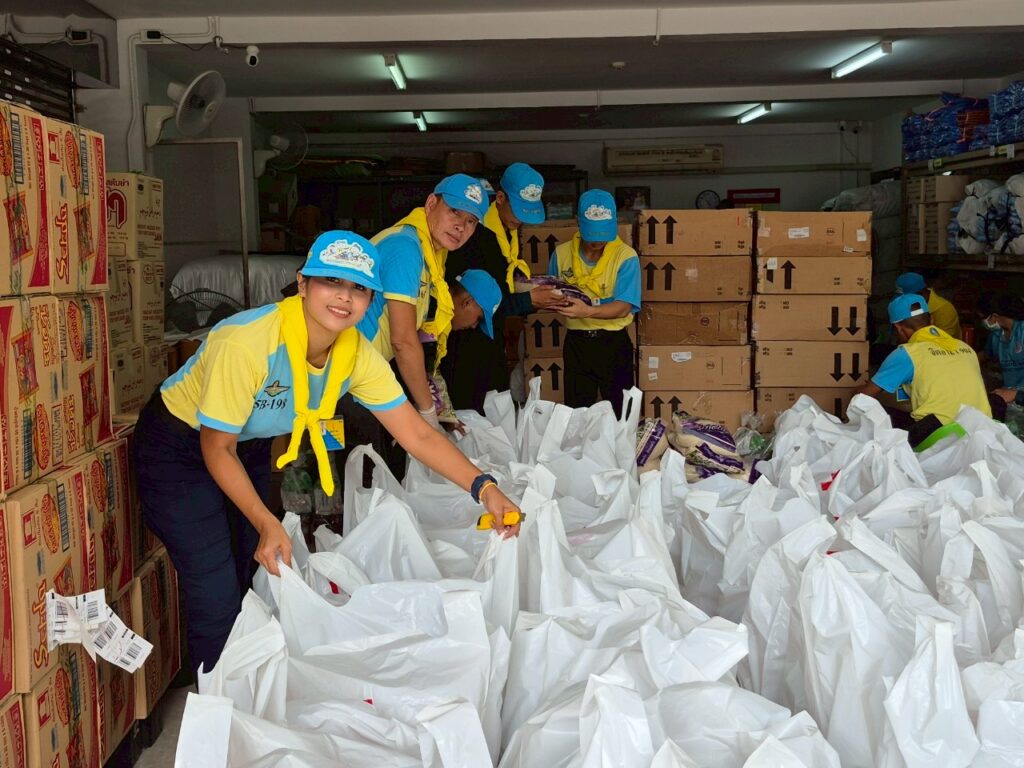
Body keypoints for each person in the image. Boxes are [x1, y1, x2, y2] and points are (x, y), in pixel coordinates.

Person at [132, 230, 520, 674]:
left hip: (246, 444)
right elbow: (216, 447)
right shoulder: (246, 343)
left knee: (250, 566)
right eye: (331, 281)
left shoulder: (355, 354)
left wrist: (484, 488)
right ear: (302, 283)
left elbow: (417, 435)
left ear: (371, 299)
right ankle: (218, 700)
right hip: (181, 447)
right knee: (214, 579)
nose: (344, 297)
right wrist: (267, 521)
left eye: (359, 288)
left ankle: (246, 679)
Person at [442, 163, 567, 412]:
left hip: (492, 340)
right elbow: (471, 302)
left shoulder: (506, 230)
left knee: (497, 410)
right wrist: (528, 300)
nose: (520, 220)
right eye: (518, 212)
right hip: (466, 345)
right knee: (471, 413)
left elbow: (498, 285)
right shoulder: (474, 236)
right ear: (500, 198)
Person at [548, 188, 640, 415]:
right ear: (578, 222)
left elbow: (624, 307)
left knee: (621, 415)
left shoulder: (626, 256)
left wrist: (586, 311)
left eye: (603, 233)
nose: (598, 241)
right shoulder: (560, 255)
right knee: (577, 415)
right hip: (577, 344)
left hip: (614, 343)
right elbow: (551, 292)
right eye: (592, 233)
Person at [856, 293, 990, 447]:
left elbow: (864, 395)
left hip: (940, 432)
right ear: (931, 320)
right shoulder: (965, 348)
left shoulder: (907, 353)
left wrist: (848, 392)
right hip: (981, 428)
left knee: (879, 414)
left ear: (898, 329)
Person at [977, 292, 1024, 409]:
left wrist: (1016, 394)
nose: (982, 322)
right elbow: (985, 355)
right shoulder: (996, 336)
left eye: (982, 318)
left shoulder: (1022, 331)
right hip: (1008, 397)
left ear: (994, 316)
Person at [895, 272, 962, 339]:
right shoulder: (907, 306)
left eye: (906, 299)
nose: (903, 302)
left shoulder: (944, 310)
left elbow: (946, 342)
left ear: (921, 294)